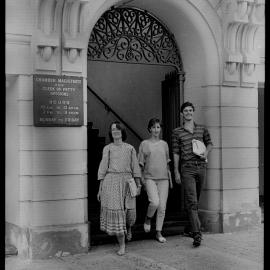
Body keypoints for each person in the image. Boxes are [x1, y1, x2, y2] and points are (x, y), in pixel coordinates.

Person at [97, 121, 142, 255]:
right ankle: (122, 245)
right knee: (117, 214)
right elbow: (102, 169)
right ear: (111, 133)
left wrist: (138, 184)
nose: (115, 131)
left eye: (118, 129)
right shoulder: (108, 148)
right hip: (111, 182)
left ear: (122, 131)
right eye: (113, 129)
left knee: (129, 214)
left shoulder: (130, 148)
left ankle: (128, 227)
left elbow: (135, 168)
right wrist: (100, 189)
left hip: (128, 182)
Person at [172, 102, 213, 247]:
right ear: (182, 114)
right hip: (187, 169)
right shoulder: (177, 132)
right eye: (185, 111)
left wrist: (205, 153)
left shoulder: (201, 128)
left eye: (190, 110)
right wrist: (176, 172)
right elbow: (176, 152)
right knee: (192, 201)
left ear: (193, 112)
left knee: (196, 200)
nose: (188, 112)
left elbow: (210, 143)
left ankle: (190, 228)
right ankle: (197, 234)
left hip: (201, 167)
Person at [138, 118, 172, 243]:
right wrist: (141, 179)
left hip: (164, 179)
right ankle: (148, 218)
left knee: (162, 207)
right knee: (155, 202)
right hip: (149, 178)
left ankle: (158, 232)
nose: (156, 130)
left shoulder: (164, 144)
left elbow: (167, 162)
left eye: (158, 127)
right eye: (153, 127)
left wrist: (170, 176)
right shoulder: (144, 144)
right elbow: (140, 163)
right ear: (149, 129)